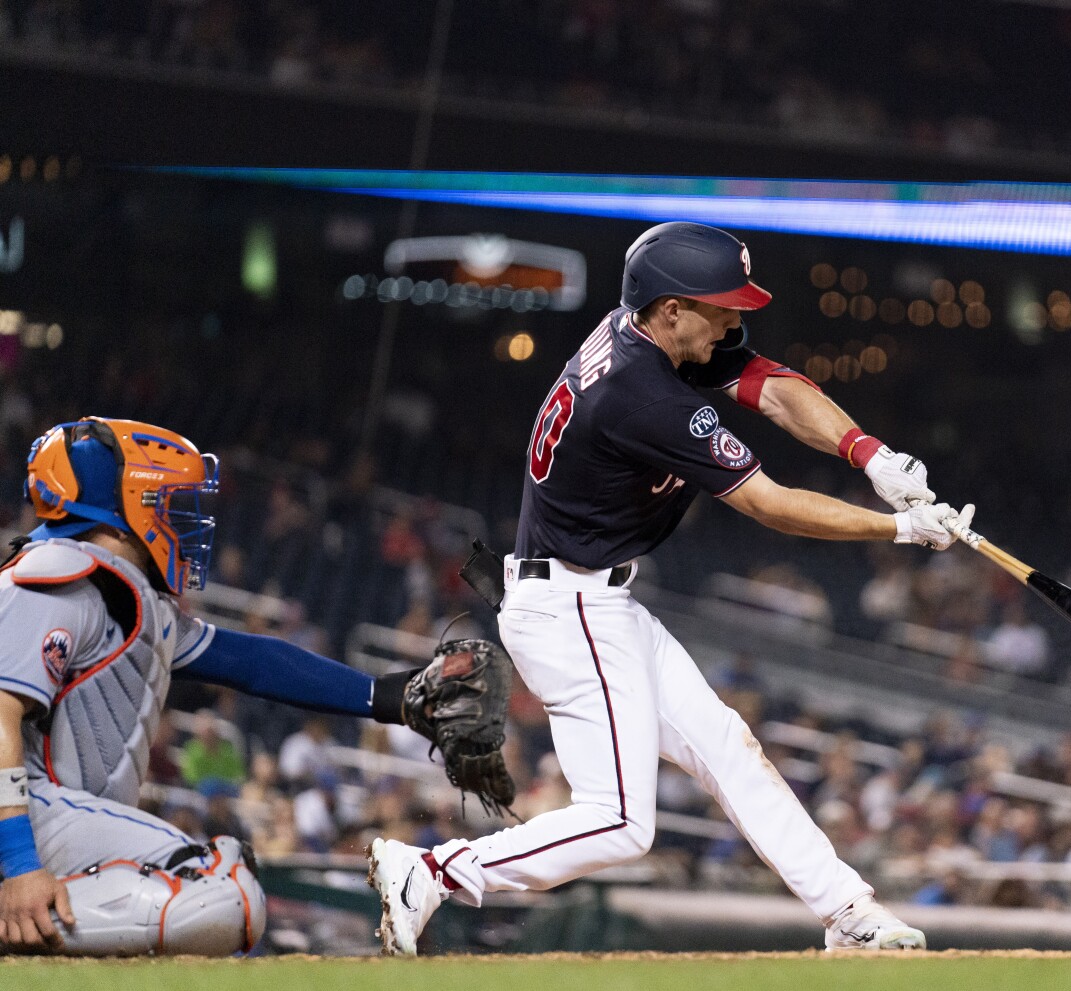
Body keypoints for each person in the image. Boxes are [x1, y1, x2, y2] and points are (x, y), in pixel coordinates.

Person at [369, 222, 971, 953]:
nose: (734, 318)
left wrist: (871, 455)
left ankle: (848, 912)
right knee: (621, 821)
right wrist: (899, 531)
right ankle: (433, 868)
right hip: (570, 606)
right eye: (720, 305)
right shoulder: (640, 391)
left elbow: (772, 387)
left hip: (595, 599)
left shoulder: (650, 334)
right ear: (671, 308)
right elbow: (766, 503)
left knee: (725, 743)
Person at [0, 417, 429, 955]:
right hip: (24, 818)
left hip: (58, 820)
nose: (181, 518)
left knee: (224, 885)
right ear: (119, 505)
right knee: (221, 893)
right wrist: (18, 866)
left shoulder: (125, 595)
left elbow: (250, 660)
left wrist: (387, 697)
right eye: (163, 501)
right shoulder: (49, 578)